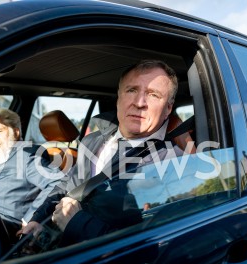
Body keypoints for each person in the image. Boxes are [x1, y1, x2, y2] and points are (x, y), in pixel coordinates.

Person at [20, 59, 184, 246]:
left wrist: (77, 223)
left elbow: (151, 249)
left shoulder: (174, 162)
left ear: (168, 108)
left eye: (153, 95)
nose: (139, 103)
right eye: (131, 90)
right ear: (119, 97)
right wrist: (38, 219)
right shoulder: (92, 141)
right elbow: (67, 185)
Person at [0, 108, 64, 239]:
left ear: (16, 132)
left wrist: (32, 217)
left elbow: (58, 182)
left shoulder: (26, 156)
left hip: (3, 226)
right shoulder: (0, 158)